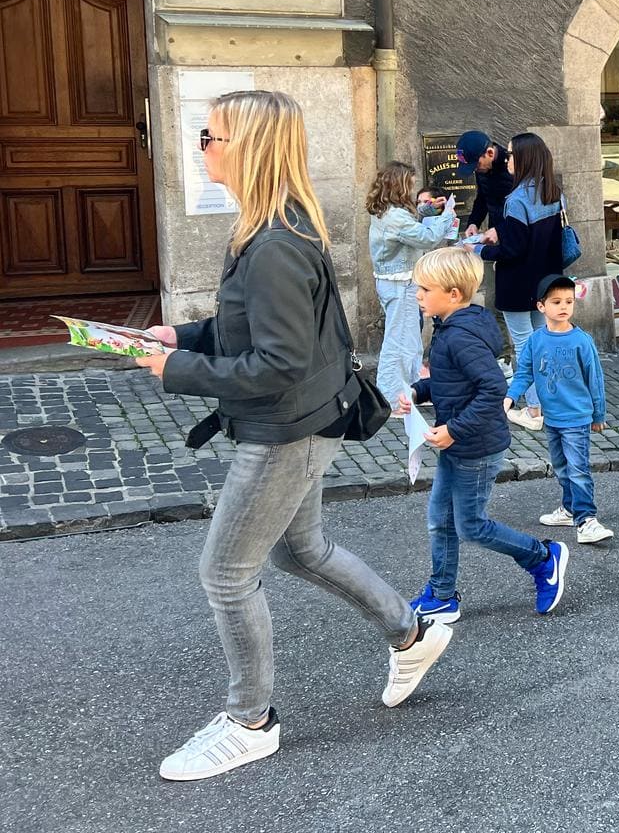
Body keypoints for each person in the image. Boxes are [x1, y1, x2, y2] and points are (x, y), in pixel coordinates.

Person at [136, 90, 452, 781]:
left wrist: (176, 368)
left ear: (247, 147)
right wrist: (178, 336)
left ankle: (251, 721)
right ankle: (413, 632)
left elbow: (276, 363)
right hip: (306, 419)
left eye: (210, 137)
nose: (203, 148)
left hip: (287, 429)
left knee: (226, 574)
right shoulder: (271, 224)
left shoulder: (275, 240)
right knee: (300, 549)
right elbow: (258, 332)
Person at [396, 247, 569, 626]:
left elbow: (492, 390)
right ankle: (442, 596)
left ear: (453, 294)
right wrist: (417, 392)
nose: (418, 295)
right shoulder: (450, 326)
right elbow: (450, 381)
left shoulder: (460, 336)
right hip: (459, 443)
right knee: (440, 520)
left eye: (424, 289)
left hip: (474, 446)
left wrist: (454, 430)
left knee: (470, 525)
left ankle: (543, 557)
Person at [508, 274, 614, 544]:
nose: (564, 306)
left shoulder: (582, 340)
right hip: (552, 418)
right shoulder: (535, 340)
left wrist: (598, 414)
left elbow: (595, 378)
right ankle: (569, 509)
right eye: (556, 301)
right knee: (561, 467)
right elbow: (524, 373)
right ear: (541, 307)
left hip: (577, 418)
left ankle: (587, 519)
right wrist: (510, 397)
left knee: (578, 469)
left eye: (569, 300)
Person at [367, 162, 455, 404]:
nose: (412, 189)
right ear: (400, 185)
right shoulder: (395, 216)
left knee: (407, 340)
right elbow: (427, 237)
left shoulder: (387, 210)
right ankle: (394, 398)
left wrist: (427, 209)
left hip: (397, 282)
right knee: (401, 343)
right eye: (410, 184)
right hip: (400, 284)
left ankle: (407, 391)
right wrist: (446, 214)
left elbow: (411, 223)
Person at [478, 131, 565, 365]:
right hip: (545, 279)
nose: (507, 159)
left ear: (525, 158)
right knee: (541, 342)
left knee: (525, 346)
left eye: (511, 154)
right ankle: (544, 399)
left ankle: (535, 403)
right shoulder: (553, 192)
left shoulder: (517, 199)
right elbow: (536, 236)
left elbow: (513, 249)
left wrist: (480, 252)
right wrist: (501, 231)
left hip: (517, 282)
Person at [457, 130, 516, 351]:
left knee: (509, 295)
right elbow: (482, 198)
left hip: (510, 235)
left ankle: (510, 351)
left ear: (490, 153)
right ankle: (503, 348)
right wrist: (473, 222)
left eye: (476, 165)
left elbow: (520, 210)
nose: (476, 170)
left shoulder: (512, 168)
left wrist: (499, 230)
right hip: (494, 235)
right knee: (497, 292)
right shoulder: (482, 167)